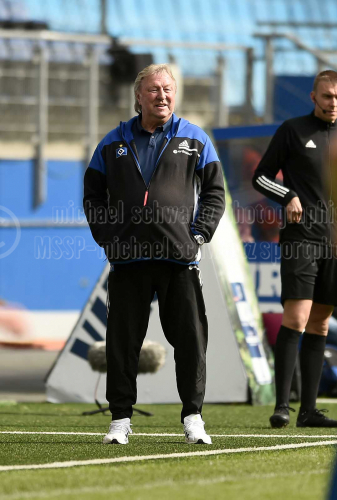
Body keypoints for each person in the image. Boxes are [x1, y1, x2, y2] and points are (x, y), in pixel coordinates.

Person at [84, 64, 225, 444]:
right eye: (153, 90)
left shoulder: (195, 138)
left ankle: (193, 417)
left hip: (180, 259)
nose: (161, 96)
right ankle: (119, 421)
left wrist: (199, 233)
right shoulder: (112, 143)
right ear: (138, 96)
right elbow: (93, 196)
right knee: (122, 343)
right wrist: (106, 236)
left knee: (191, 341)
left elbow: (214, 193)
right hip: (128, 260)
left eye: (167, 89)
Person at [252, 70, 337, 428]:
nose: (334, 103)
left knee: (319, 323)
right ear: (313, 97)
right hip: (301, 238)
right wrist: (288, 195)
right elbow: (260, 176)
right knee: (297, 319)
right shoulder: (293, 129)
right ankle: (282, 406)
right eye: (328, 96)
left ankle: (309, 411)